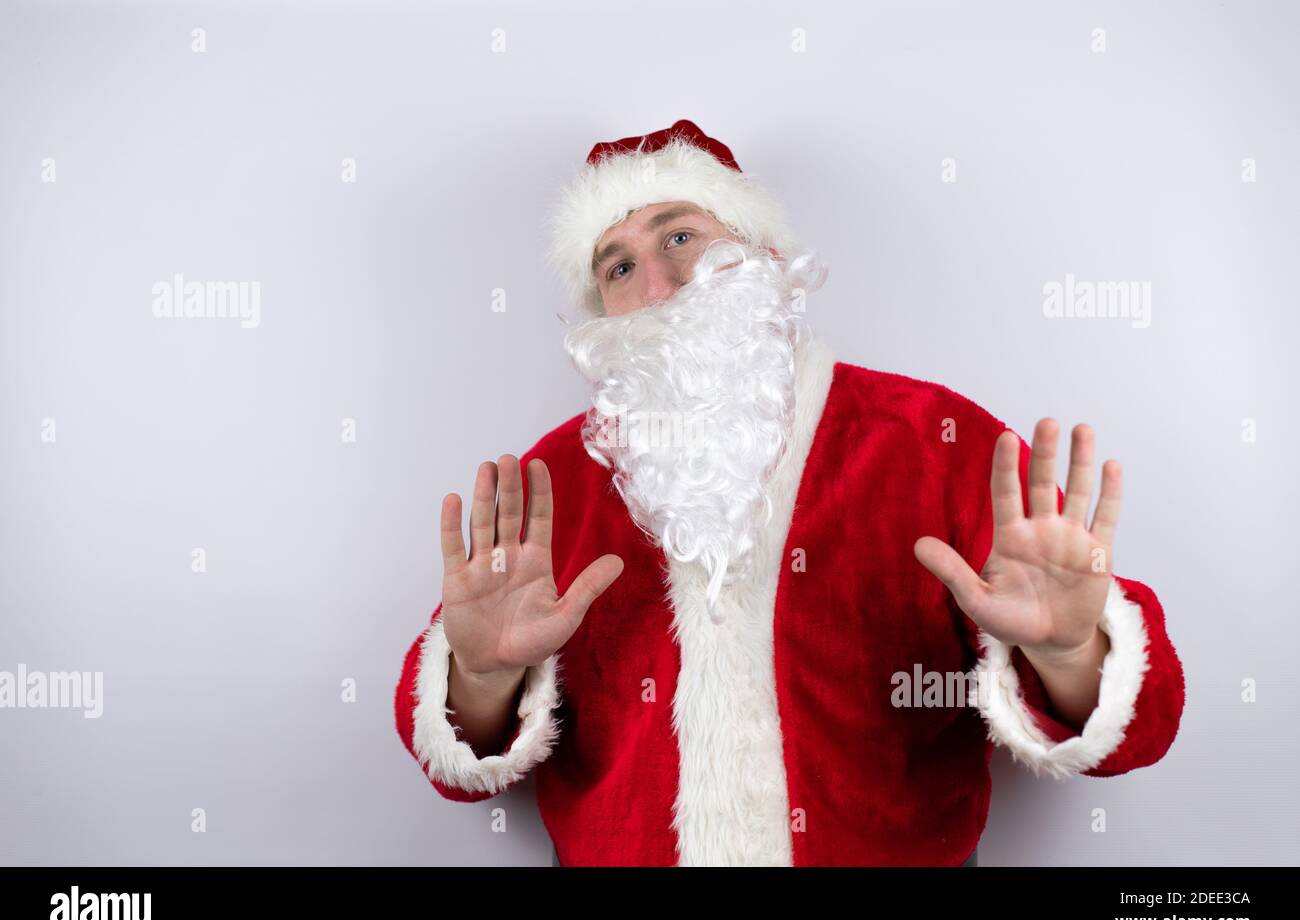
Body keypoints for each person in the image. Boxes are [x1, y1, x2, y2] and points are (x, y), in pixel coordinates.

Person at [393, 119, 1186, 866]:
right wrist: (484, 678)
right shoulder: (552, 483)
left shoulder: (928, 436)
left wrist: (1073, 653)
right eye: (620, 266)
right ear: (603, 313)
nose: (661, 285)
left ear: (765, 256)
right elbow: (462, 765)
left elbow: (1139, 730)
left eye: (681, 236)